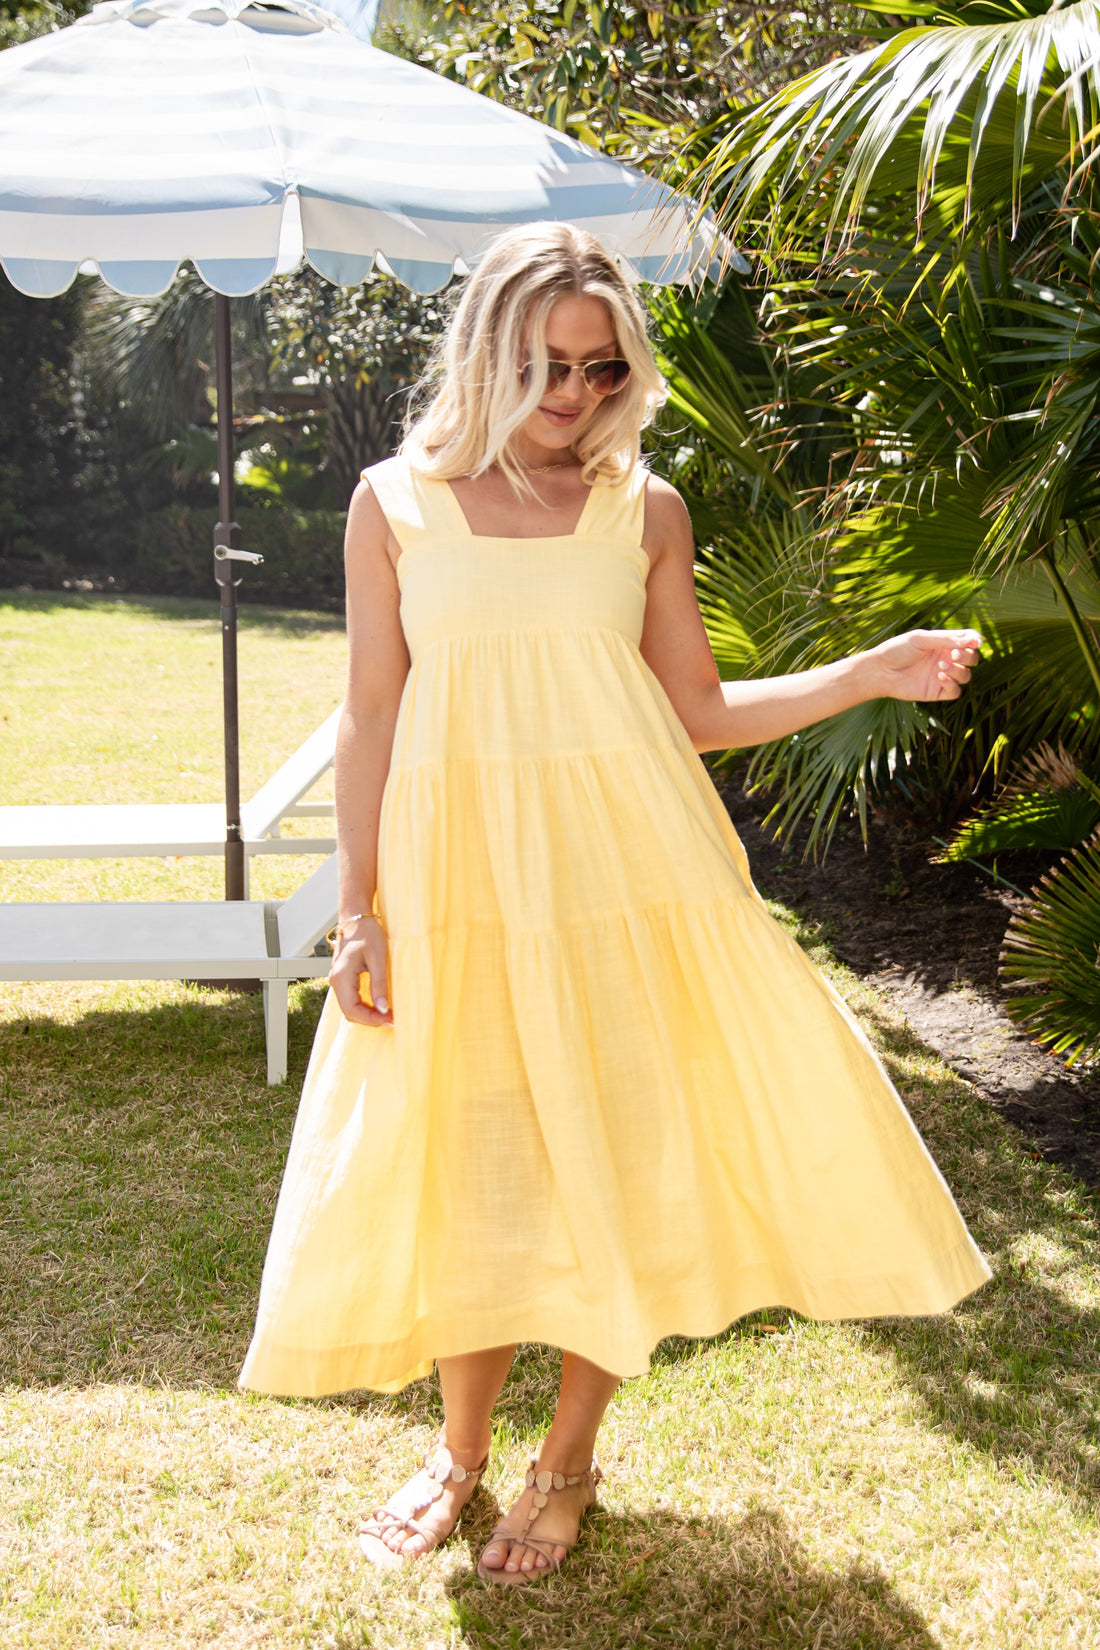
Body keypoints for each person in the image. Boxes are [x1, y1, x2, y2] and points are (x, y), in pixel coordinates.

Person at [239, 221, 990, 1586]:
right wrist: (359, 908)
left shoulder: (642, 509)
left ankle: (567, 1457)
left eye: (598, 370)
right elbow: (369, 716)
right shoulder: (391, 502)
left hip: (628, 880)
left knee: (616, 1152)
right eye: (545, 367)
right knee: (475, 1157)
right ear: (486, 354)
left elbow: (694, 710)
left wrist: (867, 672)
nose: (574, 398)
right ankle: (460, 1451)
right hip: (457, 882)